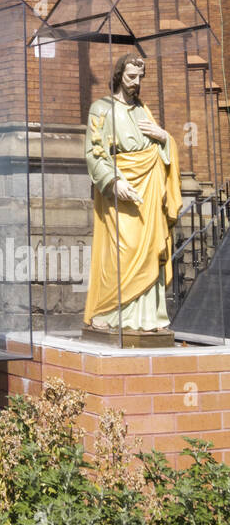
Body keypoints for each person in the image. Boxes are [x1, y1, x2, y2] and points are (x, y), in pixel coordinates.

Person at [83, 52, 181, 332]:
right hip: (121, 186)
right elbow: (94, 153)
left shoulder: (142, 109)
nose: (136, 82)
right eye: (130, 76)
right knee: (121, 249)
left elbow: (158, 144)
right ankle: (109, 310)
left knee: (149, 249)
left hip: (149, 187)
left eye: (140, 77)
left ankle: (148, 317)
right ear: (118, 75)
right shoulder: (100, 108)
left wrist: (165, 138)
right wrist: (114, 181)